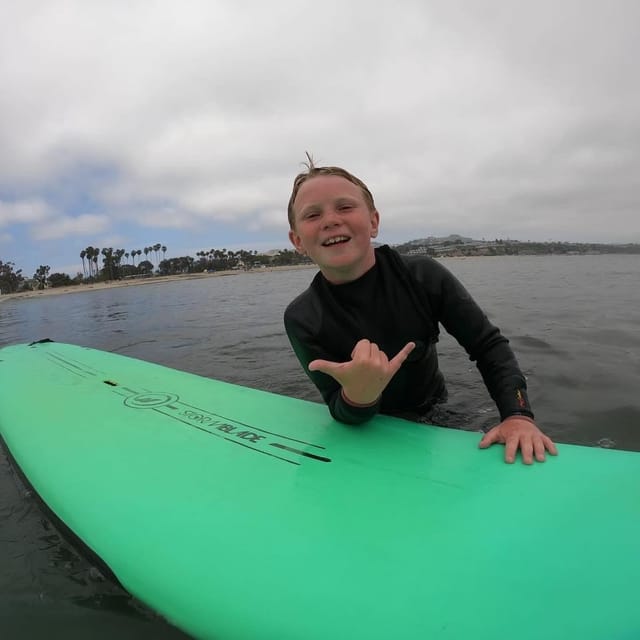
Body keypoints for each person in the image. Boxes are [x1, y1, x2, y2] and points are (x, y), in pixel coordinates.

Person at [283, 157, 558, 465]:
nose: (331, 220)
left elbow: (487, 346)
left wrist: (517, 415)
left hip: (435, 410)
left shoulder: (423, 277)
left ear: (373, 222)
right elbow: (336, 405)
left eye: (345, 207)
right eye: (313, 214)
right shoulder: (302, 318)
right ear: (298, 241)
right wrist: (359, 395)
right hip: (368, 428)